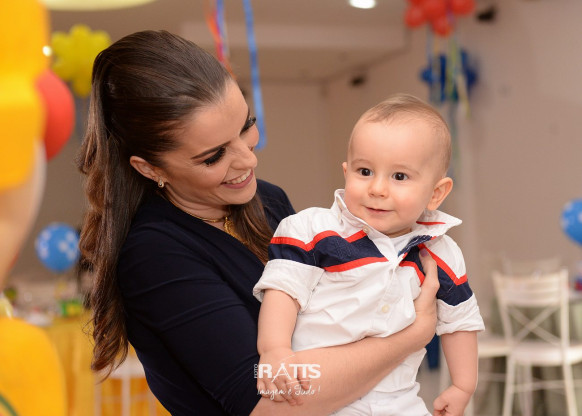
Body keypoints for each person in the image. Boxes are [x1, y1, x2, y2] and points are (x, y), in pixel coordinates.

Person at [77, 30, 440, 416]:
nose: (248, 160)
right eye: (214, 156)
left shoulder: (267, 200)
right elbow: (270, 403)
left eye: (246, 125)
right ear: (150, 168)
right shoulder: (154, 254)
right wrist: (411, 335)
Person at [254, 93, 485, 416]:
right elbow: (283, 290)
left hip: (399, 399)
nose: (377, 188)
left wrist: (463, 385)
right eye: (364, 171)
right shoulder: (313, 230)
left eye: (399, 176)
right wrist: (274, 349)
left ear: (436, 193)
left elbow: (459, 321)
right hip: (322, 395)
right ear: (346, 172)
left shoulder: (440, 251)